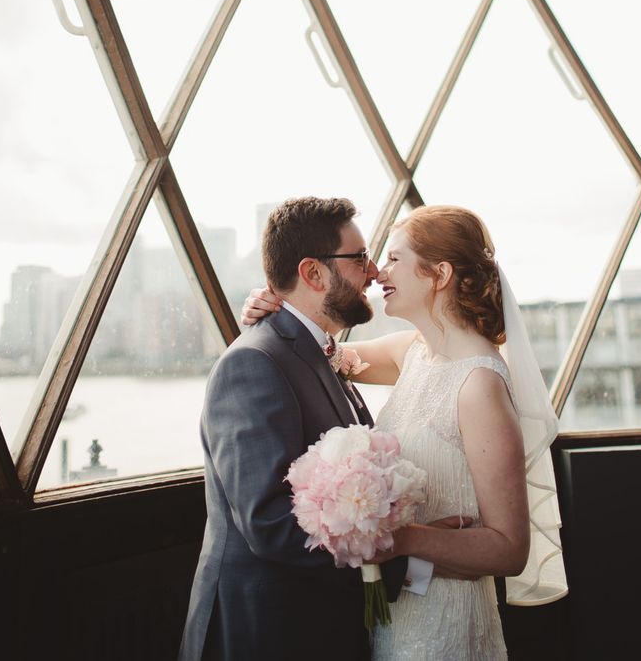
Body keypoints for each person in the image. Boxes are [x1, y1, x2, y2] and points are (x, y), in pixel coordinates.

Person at [244, 204, 568, 660]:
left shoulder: (479, 386)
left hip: (448, 628)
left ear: (438, 274)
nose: (378, 272)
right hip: (398, 613)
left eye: (394, 259)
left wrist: (399, 539)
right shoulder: (412, 352)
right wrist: (273, 304)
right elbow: (318, 350)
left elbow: (509, 550)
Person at [179, 197, 469, 661]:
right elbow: (272, 526)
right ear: (313, 274)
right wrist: (414, 558)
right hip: (268, 637)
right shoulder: (254, 364)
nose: (373, 272)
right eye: (359, 258)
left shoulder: (324, 353)